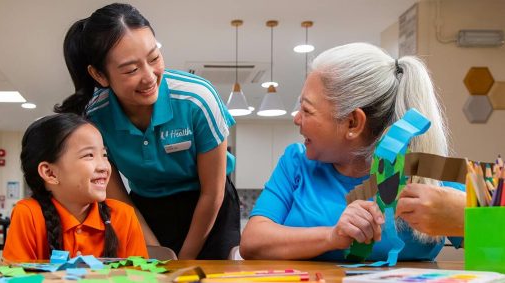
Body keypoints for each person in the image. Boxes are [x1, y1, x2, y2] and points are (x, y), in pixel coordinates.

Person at [240, 42, 465, 261]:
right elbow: (252, 242)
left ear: (353, 123)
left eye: (307, 110)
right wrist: (331, 236)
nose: (297, 119)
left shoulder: (427, 172)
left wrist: (463, 217)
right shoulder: (296, 162)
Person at [54, 3, 239, 259]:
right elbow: (118, 197)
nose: (150, 77)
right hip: (146, 208)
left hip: (208, 206)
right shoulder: (95, 118)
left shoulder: (197, 100)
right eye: (131, 69)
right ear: (99, 75)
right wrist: (157, 251)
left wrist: (183, 260)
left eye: (154, 58)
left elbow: (213, 193)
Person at [3, 113, 148, 262]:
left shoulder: (124, 216)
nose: (104, 166)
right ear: (50, 172)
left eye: (104, 154)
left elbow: (140, 276)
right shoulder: (28, 214)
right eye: (89, 155)